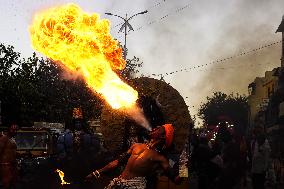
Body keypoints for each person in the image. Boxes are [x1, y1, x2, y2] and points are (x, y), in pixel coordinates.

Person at [85, 124, 181, 189]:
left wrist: (185, 166)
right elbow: (117, 162)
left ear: (163, 137)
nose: (155, 127)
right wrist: (96, 173)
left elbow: (177, 180)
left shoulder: (160, 158)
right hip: (118, 183)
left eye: (159, 128)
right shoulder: (136, 145)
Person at [0, 124, 18, 189]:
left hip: (12, 165)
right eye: (13, 130)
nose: (15, 131)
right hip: (5, 166)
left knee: (13, 184)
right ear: (9, 130)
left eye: (16, 130)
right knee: (6, 184)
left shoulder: (12, 139)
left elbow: (12, 151)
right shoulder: (4, 138)